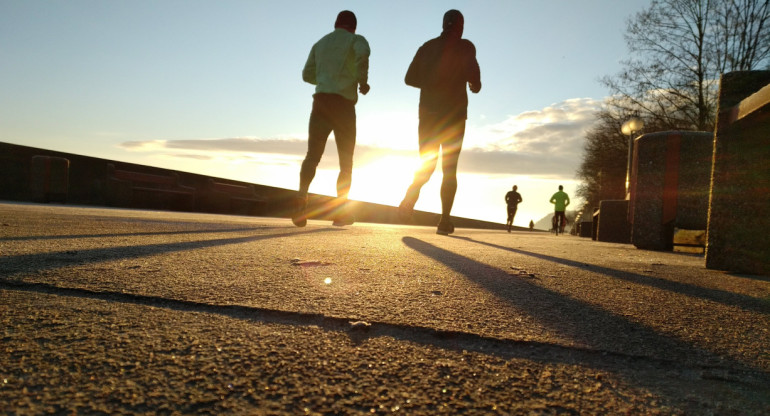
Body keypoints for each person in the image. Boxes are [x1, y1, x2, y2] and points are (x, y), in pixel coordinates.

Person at [397, 9, 481, 235]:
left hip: (428, 115)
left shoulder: (426, 47)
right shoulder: (466, 47)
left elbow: (409, 78)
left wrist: (431, 83)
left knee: (427, 163)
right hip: (454, 116)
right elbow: (475, 78)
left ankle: (409, 198)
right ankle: (444, 221)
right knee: (449, 169)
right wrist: (474, 84)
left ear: (443, 24)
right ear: (461, 26)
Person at [292, 10, 371, 227]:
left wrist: (325, 79)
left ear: (335, 24)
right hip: (344, 106)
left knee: (312, 156)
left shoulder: (320, 43)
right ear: (354, 26)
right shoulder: (357, 40)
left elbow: (307, 75)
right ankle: (340, 213)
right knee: (345, 163)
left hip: (321, 102)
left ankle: (301, 198)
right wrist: (362, 81)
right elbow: (362, 55)